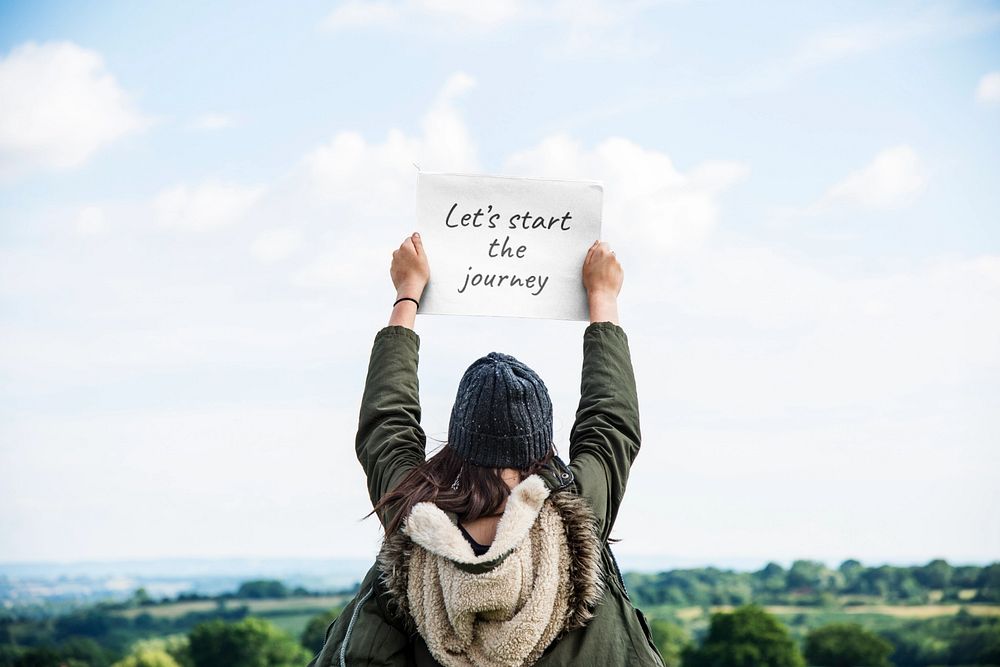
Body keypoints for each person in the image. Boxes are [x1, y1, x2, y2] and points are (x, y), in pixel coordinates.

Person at [308, 232, 664, 666]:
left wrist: (407, 295)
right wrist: (603, 297)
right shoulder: (578, 508)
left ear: (459, 439)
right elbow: (609, 423)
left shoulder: (412, 512)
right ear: (540, 439)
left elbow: (387, 422)